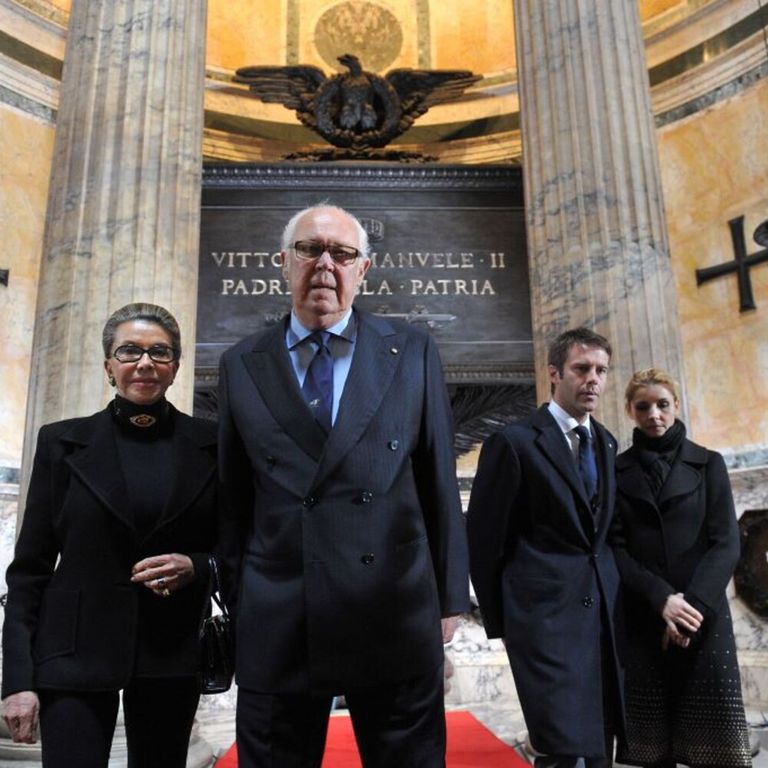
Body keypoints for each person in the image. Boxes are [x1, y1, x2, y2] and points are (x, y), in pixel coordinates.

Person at [217, 204, 470, 768]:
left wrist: (449, 597)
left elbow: (437, 479)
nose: (325, 264)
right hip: (280, 611)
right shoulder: (241, 363)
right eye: (310, 249)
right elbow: (233, 499)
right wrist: (239, 599)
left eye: (343, 253)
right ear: (283, 263)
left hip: (393, 607)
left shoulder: (412, 350)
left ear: (365, 270)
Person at [1, 303, 218, 768]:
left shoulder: (212, 445)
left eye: (160, 352)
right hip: (72, 652)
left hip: (170, 651)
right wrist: (18, 678)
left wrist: (198, 565)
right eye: (130, 351)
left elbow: (238, 545)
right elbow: (30, 570)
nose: (145, 363)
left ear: (176, 366)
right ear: (108, 365)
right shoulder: (62, 442)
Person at [467, 327, 623, 768]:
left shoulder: (607, 442)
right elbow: (484, 539)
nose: (593, 379)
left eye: (601, 370)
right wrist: (509, 622)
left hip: (601, 619)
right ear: (554, 373)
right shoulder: (514, 443)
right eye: (582, 369)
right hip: (543, 621)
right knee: (561, 743)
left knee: (599, 744)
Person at [611, 368, 751, 768]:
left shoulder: (709, 464)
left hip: (703, 618)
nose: (654, 414)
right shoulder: (616, 471)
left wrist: (689, 611)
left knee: (714, 747)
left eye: (662, 405)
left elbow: (726, 543)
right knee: (654, 748)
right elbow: (616, 549)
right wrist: (661, 601)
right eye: (644, 407)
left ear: (676, 406)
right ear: (630, 411)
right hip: (645, 617)